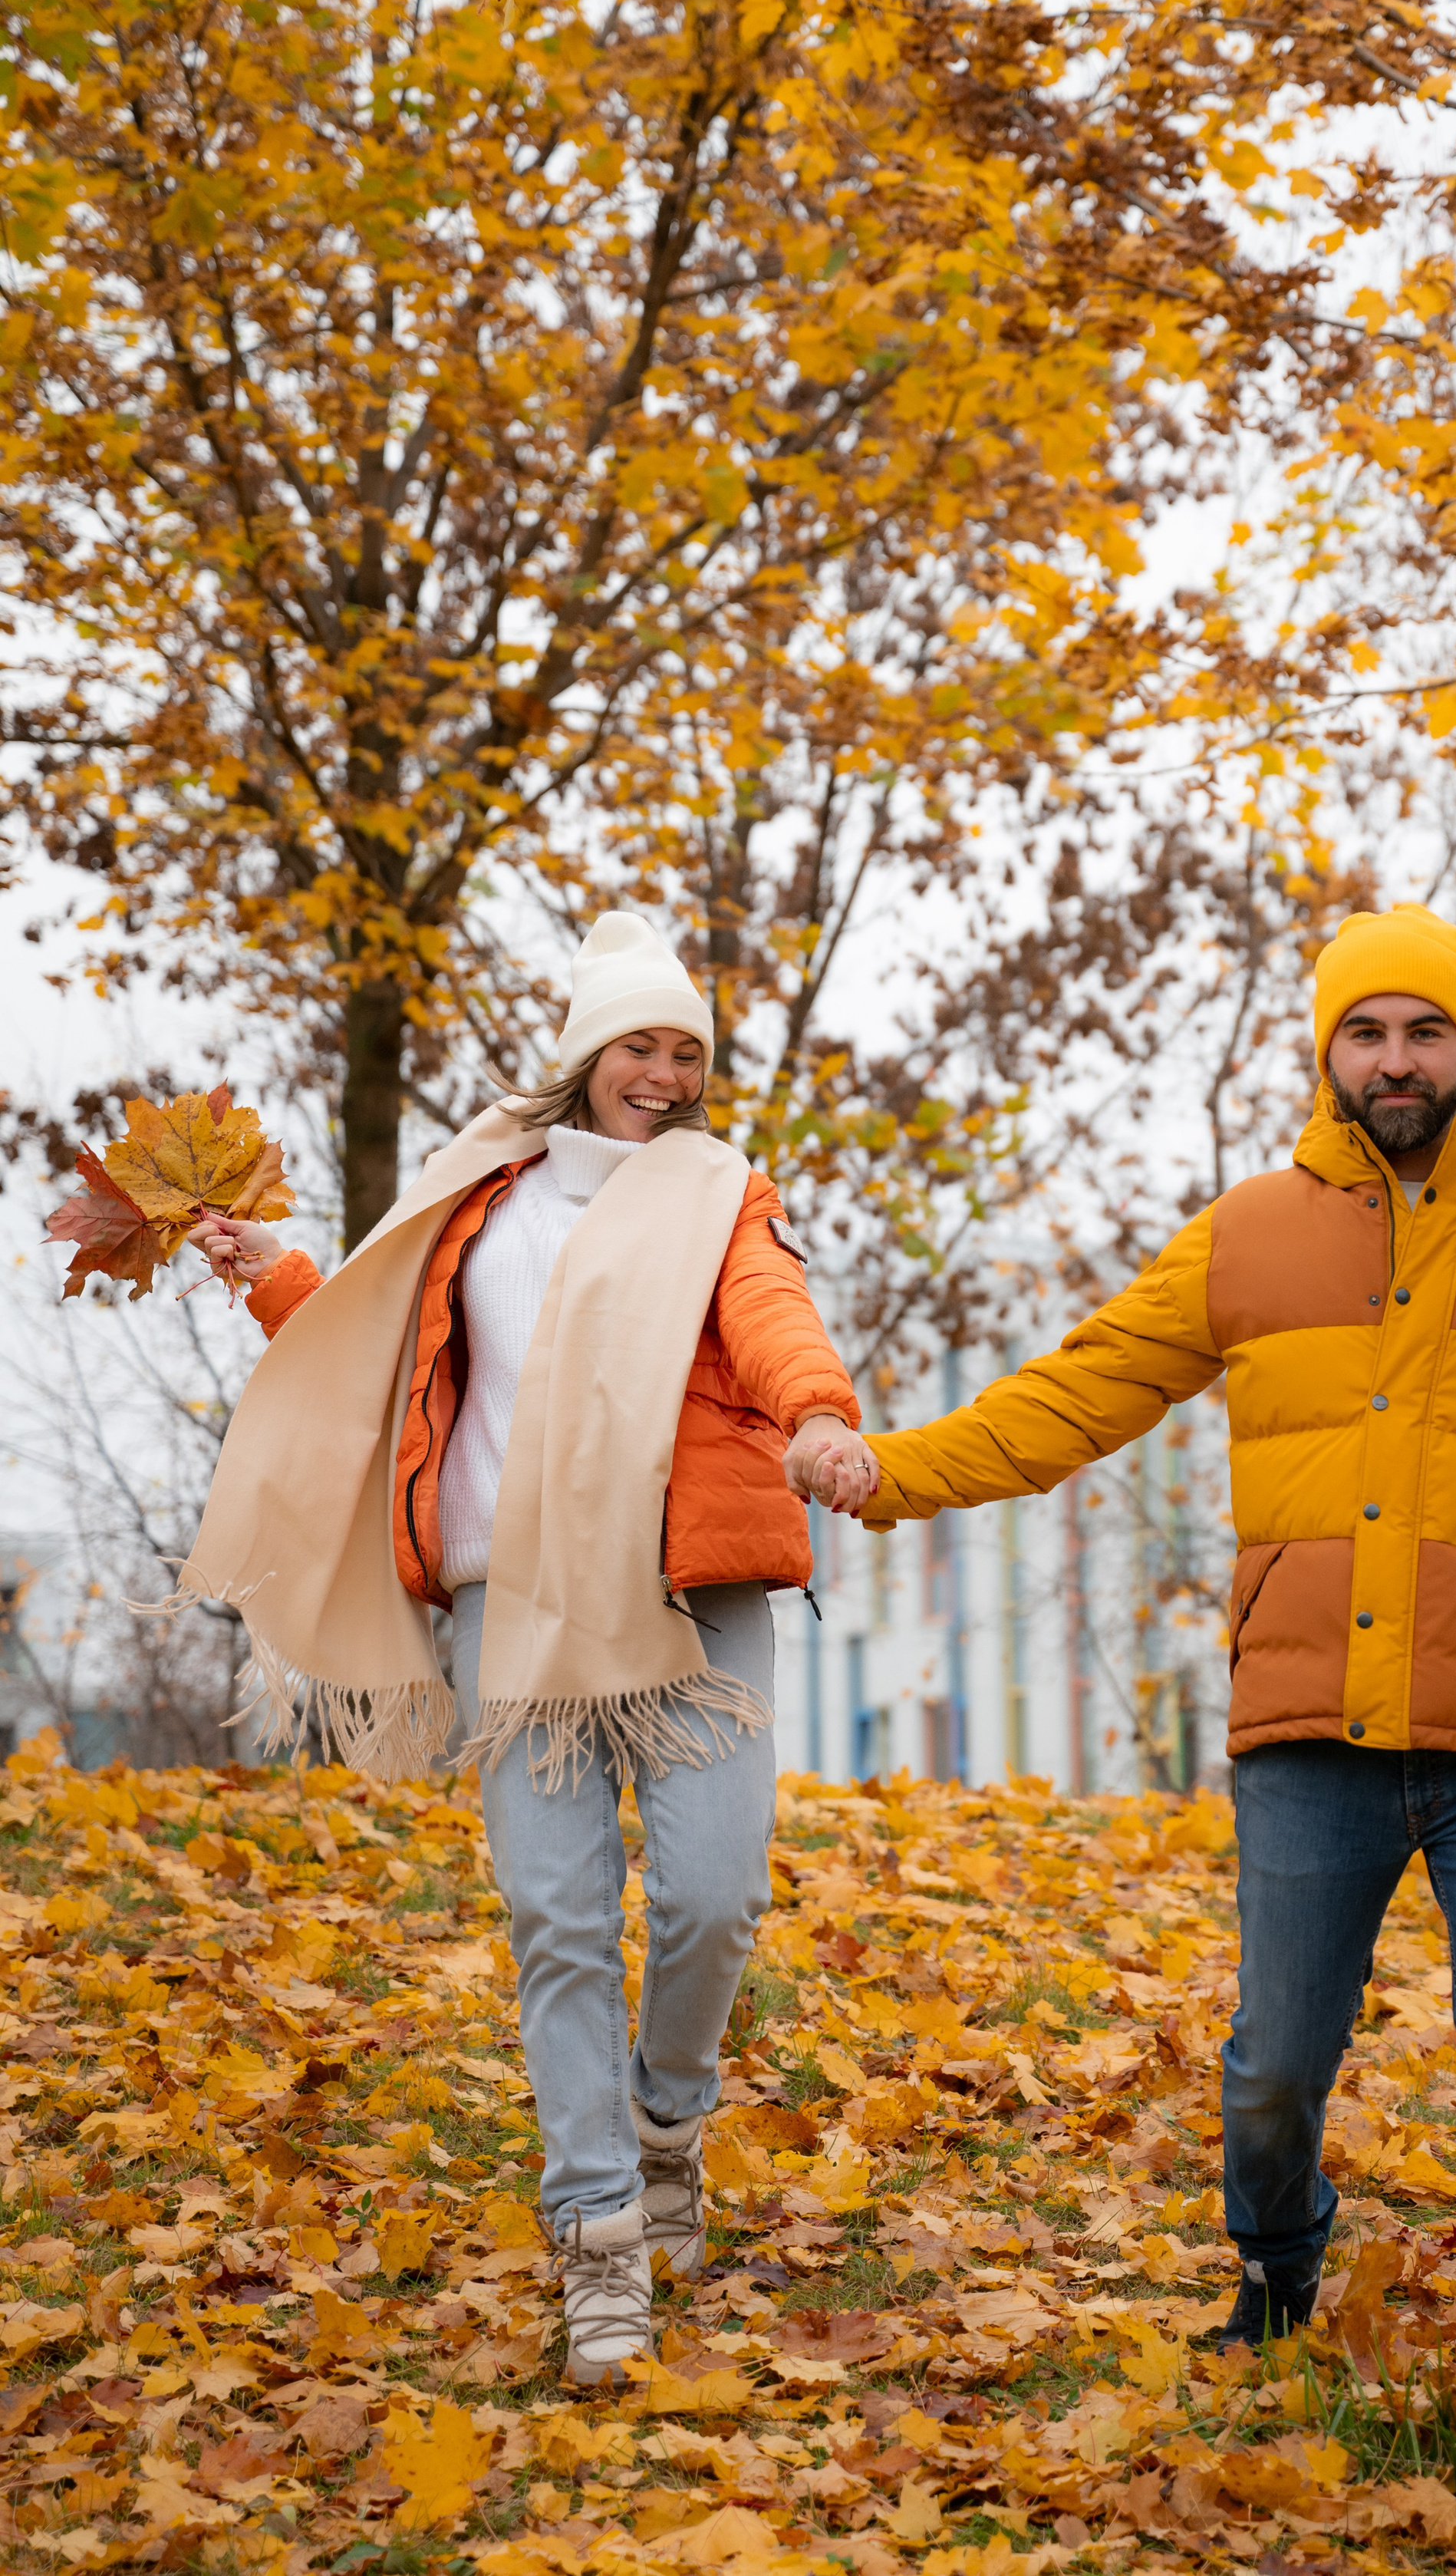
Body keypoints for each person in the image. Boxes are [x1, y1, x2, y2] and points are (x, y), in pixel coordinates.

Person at [793, 902, 1456, 2531]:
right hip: (1307, 1733)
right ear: (1325, 1054)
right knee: (1269, 2072)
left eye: (1421, 1032)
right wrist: (891, 1475)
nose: (1393, 1061)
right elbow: (1077, 1391)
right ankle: (1276, 2258)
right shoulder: (1245, 1237)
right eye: (1364, 1034)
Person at [183, 911, 872, 2388]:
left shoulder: (718, 1199)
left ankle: (667, 2118)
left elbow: (771, 1318)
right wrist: (265, 1273)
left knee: (712, 1895)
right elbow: (383, 1343)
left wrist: (817, 1411)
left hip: (688, 1598)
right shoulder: (479, 1196)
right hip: (511, 1607)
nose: (667, 1073)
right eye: (642, 1044)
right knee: (560, 1925)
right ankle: (602, 2238)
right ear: (586, 1054)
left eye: (688, 1051)